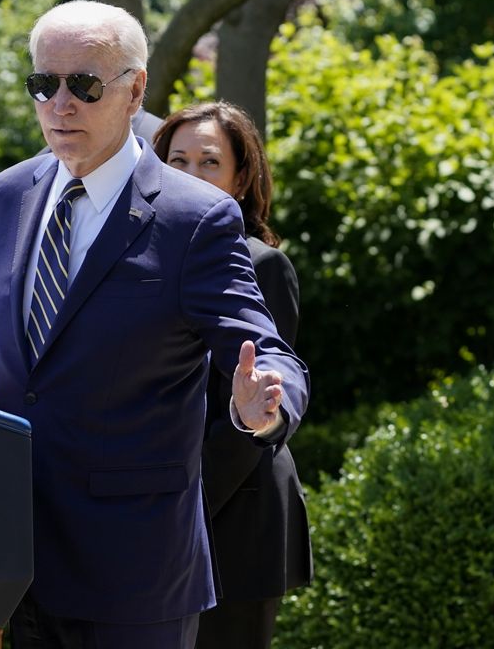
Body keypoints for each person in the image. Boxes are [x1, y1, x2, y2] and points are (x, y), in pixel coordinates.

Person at [0, 0, 309, 649]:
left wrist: (261, 407)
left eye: (83, 85)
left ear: (135, 90)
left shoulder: (195, 218)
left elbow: (268, 350)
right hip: (5, 562)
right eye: (42, 85)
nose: (60, 104)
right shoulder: (6, 195)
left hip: (134, 577)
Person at [152, 102, 312, 649]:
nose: (190, 176)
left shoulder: (260, 264)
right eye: (177, 161)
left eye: (209, 162)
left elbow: (254, 412)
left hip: (232, 520)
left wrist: (173, 512)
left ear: (241, 179)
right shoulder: (142, 261)